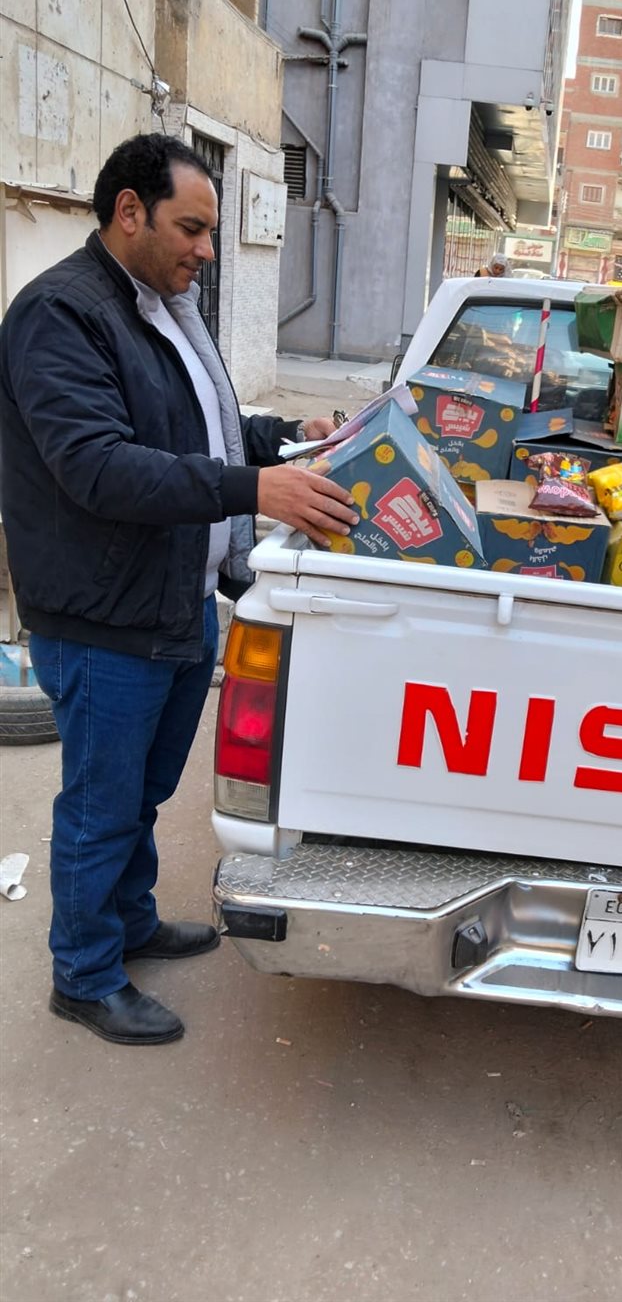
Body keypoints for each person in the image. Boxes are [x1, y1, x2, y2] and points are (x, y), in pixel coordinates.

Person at [0, 134, 360, 1047]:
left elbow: (204, 425)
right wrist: (252, 489)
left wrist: (295, 437)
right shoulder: (61, 315)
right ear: (130, 212)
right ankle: (84, 975)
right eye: (192, 228)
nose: (206, 249)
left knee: (143, 792)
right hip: (104, 614)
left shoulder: (161, 310)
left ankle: (129, 922)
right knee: (101, 804)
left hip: (177, 596)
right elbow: (99, 466)